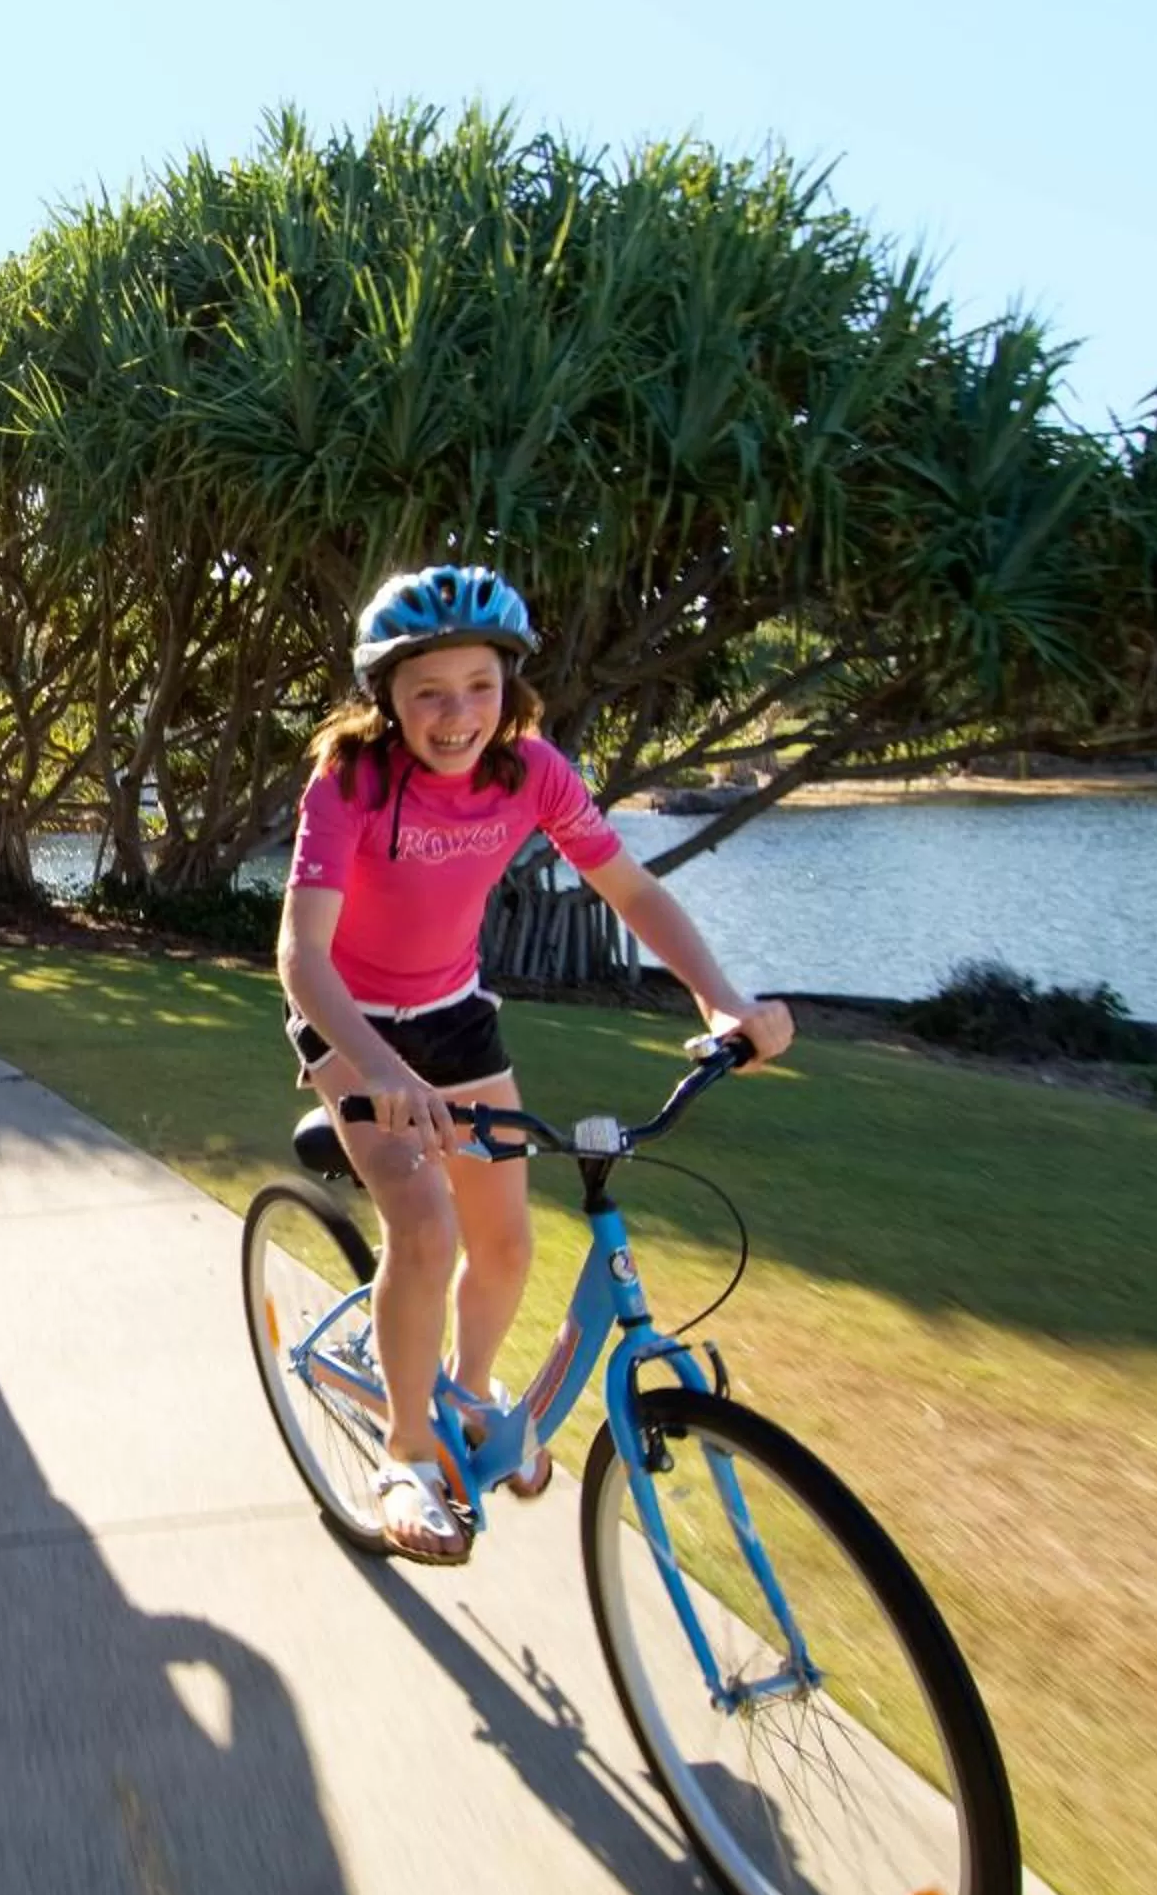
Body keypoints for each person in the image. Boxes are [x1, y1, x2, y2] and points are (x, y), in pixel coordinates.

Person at [276, 565, 794, 1564]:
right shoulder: (351, 780)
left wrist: (722, 999)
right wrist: (382, 1071)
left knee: (506, 1244)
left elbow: (631, 891)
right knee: (423, 1227)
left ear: (510, 685)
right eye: (427, 691)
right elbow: (301, 958)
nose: (456, 713)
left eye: (479, 685)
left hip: (454, 1016)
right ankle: (405, 1455)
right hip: (351, 1026)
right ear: (386, 698)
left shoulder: (534, 772)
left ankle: (466, 1398)